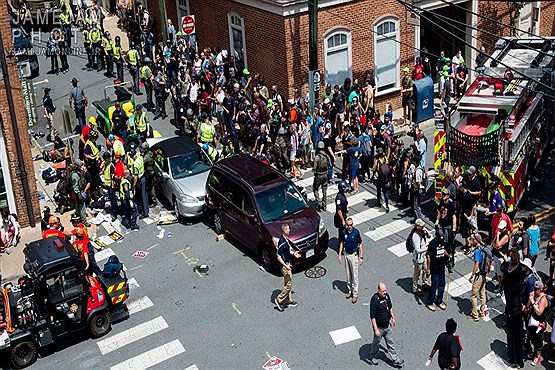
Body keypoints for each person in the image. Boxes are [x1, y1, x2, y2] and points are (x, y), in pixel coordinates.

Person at [369, 282, 404, 368]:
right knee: (376, 343)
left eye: (385, 290)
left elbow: (390, 307)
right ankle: (373, 355)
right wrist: (376, 329)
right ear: (378, 291)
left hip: (387, 326)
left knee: (390, 343)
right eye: (383, 291)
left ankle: (396, 360)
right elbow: (372, 317)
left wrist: (393, 318)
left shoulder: (387, 296)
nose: (385, 292)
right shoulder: (374, 301)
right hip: (379, 328)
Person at [504, 248, 525, 369]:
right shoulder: (517, 269)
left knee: (514, 334)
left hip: (514, 307)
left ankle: (515, 359)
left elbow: (511, 289)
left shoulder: (513, 272)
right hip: (514, 306)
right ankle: (516, 358)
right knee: (515, 335)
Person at [274, 223, 301, 311]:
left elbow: (288, 249)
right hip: (285, 266)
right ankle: (279, 300)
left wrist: (294, 253)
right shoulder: (282, 242)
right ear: (284, 231)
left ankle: (288, 301)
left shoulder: (285, 239)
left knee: (287, 283)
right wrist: (285, 265)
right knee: (288, 285)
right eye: (288, 229)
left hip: (288, 264)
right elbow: (278, 256)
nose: (289, 230)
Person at [338, 217, 363, 304]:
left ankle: (355, 294)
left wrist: (361, 257)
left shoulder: (356, 233)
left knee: (354, 275)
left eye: (351, 225)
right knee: (348, 274)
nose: (350, 226)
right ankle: (350, 291)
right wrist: (339, 254)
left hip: (353, 255)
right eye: (348, 225)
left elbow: (360, 245)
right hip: (346, 255)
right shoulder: (344, 232)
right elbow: (342, 243)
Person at [468, 233, 491, 321]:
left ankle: (475, 315)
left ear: (476, 240)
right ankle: (482, 312)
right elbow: (489, 262)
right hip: (484, 274)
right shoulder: (484, 248)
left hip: (478, 275)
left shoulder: (477, 251)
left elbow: (476, 264)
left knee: (473, 295)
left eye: (472, 239)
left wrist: (472, 275)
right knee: (482, 294)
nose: (471, 241)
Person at [526, 281, 548, 366]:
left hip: (539, 323)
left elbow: (539, 312)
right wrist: (529, 299)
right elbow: (528, 305)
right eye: (534, 288)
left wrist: (533, 303)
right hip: (532, 321)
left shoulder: (543, 299)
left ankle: (537, 356)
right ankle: (534, 353)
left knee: (538, 341)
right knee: (533, 338)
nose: (534, 290)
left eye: (536, 289)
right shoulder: (534, 295)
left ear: (540, 289)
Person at [425, 228, 447, 311]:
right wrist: (428, 269)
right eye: (439, 237)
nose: (440, 239)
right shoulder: (432, 244)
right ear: (436, 237)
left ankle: (439, 301)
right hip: (434, 269)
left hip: (442, 267)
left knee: (442, 285)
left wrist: (447, 254)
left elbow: (443, 249)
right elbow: (428, 256)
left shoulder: (441, 241)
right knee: (434, 286)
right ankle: (429, 302)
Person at [412, 218, 429, 296]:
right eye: (422, 226)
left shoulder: (422, 232)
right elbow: (418, 250)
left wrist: (427, 232)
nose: (423, 227)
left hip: (423, 256)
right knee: (417, 273)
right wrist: (427, 249)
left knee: (425, 270)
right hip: (418, 258)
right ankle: (415, 289)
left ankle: (424, 283)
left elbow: (429, 236)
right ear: (417, 226)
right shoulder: (416, 236)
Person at [312, 141, 331, 212]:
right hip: (325, 174)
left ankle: (319, 202)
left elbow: (314, 168)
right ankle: (324, 204)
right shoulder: (326, 156)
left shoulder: (317, 157)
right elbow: (330, 165)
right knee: (324, 189)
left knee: (315, 189)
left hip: (319, 175)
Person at [70, 160, 89, 226]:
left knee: (78, 206)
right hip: (78, 192)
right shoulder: (74, 175)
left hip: (80, 191)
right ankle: (84, 221)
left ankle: (78, 216)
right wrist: (79, 194)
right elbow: (75, 186)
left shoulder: (77, 173)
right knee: (82, 206)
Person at [373, 148, 390, 212]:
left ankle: (378, 202)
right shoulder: (385, 158)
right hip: (386, 177)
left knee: (378, 190)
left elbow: (374, 168)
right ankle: (387, 205)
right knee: (385, 192)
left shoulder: (377, 160)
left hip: (379, 177)